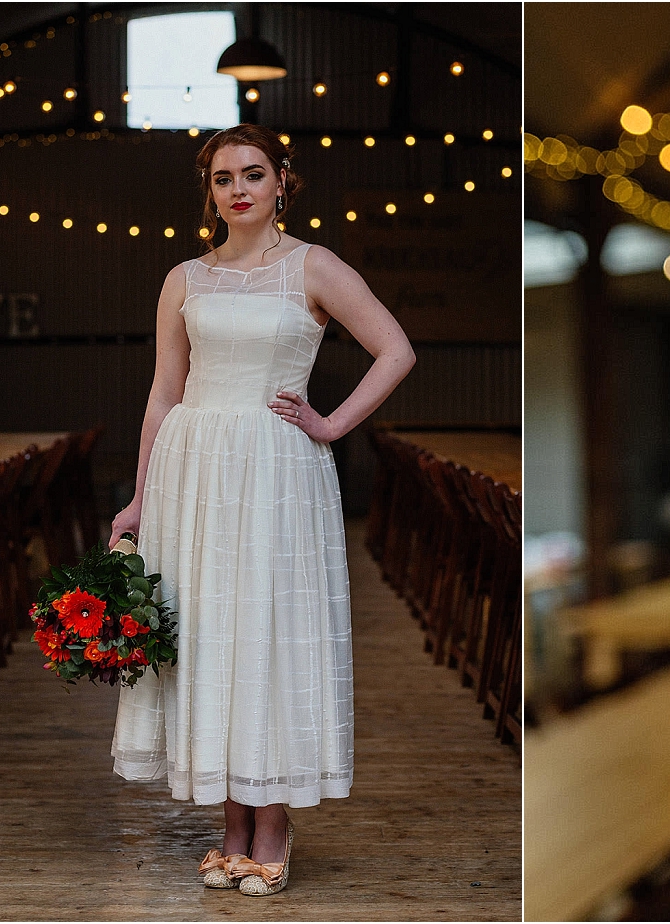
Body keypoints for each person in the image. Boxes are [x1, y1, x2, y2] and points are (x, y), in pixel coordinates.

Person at [108, 124, 415, 897]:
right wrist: (141, 496)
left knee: (269, 633)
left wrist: (332, 423)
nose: (237, 188)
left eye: (252, 173)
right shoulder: (186, 277)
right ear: (208, 191)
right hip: (193, 467)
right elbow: (163, 391)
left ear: (283, 179)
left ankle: (273, 826)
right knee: (211, 635)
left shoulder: (312, 266)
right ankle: (231, 827)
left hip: (277, 468)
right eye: (221, 178)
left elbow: (397, 349)